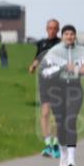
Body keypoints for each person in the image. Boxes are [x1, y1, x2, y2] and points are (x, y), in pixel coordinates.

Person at [39, 25, 84, 166]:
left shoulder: (83, 51)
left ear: (75, 36)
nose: (69, 36)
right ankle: (63, 154)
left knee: (71, 120)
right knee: (60, 123)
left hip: (75, 89)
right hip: (57, 89)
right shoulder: (54, 51)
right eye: (66, 34)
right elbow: (44, 72)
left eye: (72, 34)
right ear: (62, 36)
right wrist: (62, 67)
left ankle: (71, 158)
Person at [28, 19, 62, 158]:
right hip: (45, 83)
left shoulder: (62, 44)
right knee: (45, 113)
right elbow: (38, 57)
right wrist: (33, 65)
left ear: (58, 30)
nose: (52, 30)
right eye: (50, 28)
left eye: (54, 28)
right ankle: (48, 145)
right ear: (46, 29)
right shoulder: (42, 43)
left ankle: (56, 144)